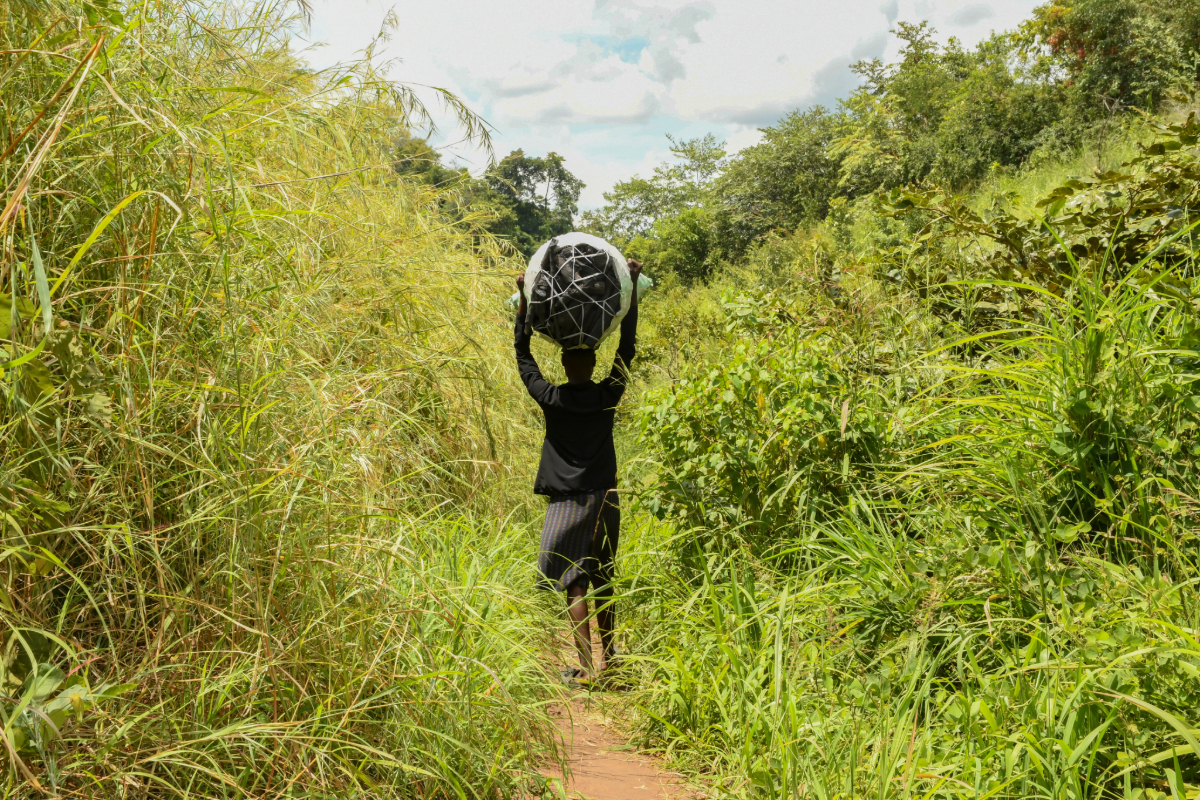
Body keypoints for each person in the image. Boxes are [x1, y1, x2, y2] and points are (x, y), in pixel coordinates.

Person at [514, 258, 643, 687]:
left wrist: (523, 310)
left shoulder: (552, 398)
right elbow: (626, 349)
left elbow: (523, 358)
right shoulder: (608, 395)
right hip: (604, 495)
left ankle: (586, 669)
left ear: (568, 367)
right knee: (604, 577)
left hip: (568, 499)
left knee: (575, 583)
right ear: (590, 367)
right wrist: (634, 286)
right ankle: (613, 664)